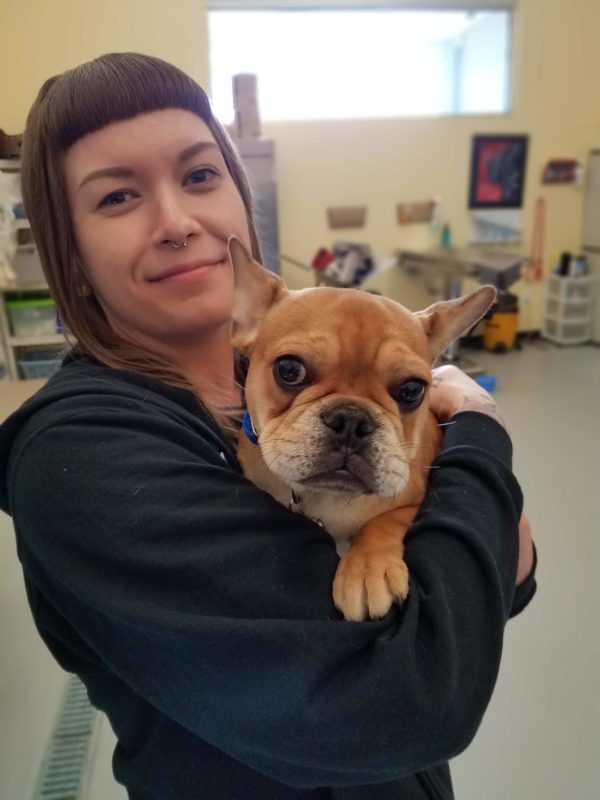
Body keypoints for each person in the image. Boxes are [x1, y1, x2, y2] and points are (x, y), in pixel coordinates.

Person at [0, 53, 536, 800]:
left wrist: (461, 546)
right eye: (118, 196)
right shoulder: (81, 458)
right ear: (70, 249)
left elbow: (500, 584)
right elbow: (412, 698)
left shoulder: (247, 379)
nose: (178, 223)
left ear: (239, 198)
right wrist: (482, 438)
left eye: (198, 176)